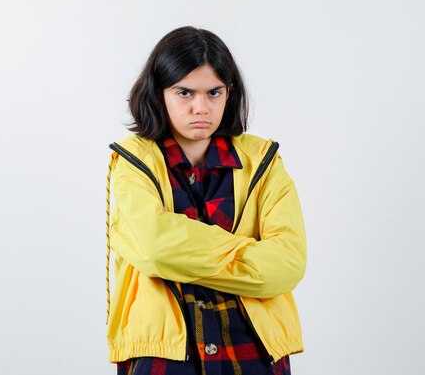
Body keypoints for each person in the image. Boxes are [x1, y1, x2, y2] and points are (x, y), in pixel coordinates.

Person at [105, 26, 306, 375]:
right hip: (165, 354)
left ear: (230, 93)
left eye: (214, 92)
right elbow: (154, 247)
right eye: (184, 92)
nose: (201, 107)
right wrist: (247, 253)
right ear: (159, 94)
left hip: (254, 349)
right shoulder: (133, 163)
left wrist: (181, 255)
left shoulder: (264, 161)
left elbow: (286, 265)